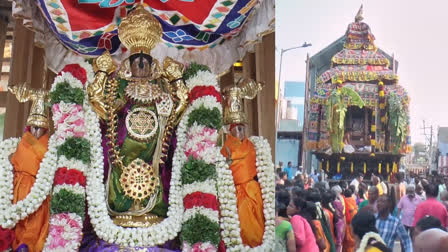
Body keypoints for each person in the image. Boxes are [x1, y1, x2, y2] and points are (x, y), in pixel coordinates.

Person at [7, 84, 51, 252]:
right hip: (18, 191)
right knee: (18, 226)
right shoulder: (21, 143)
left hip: (38, 193)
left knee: (35, 227)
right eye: (34, 127)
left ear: (45, 128)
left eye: (40, 128)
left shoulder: (50, 146)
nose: (36, 131)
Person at [221, 121, 265, 247]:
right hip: (235, 192)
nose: (239, 132)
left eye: (241, 128)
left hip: (253, 190)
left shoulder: (252, 145)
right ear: (230, 130)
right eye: (236, 128)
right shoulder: (226, 148)